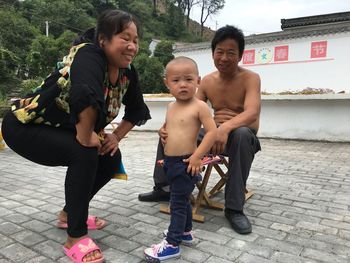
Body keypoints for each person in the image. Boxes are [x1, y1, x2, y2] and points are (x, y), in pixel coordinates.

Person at [1, 9, 150, 263]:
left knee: (111, 156)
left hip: (58, 127)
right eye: (125, 38)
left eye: (135, 40)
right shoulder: (89, 54)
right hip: (24, 125)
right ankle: (75, 237)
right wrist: (86, 136)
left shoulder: (127, 72)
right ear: (103, 40)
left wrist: (115, 137)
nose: (132, 46)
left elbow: (136, 110)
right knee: (86, 151)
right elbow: (84, 92)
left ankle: (70, 214)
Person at [139, 25, 261, 235]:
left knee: (241, 134)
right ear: (213, 53)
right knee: (169, 134)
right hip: (213, 133)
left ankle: (234, 208)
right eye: (219, 52)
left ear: (240, 55)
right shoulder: (207, 81)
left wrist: (226, 128)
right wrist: (167, 126)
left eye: (230, 53)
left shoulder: (251, 78)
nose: (224, 57)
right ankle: (164, 188)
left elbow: (252, 113)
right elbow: (188, 109)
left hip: (240, 135)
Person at [144, 57, 217, 261]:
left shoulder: (200, 106)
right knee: (181, 198)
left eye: (188, 79)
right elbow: (169, 127)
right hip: (170, 162)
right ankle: (186, 232)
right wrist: (162, 131)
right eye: (176, 80)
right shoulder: (170, 106)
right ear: (167, 83)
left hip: (187, 162)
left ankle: (173, 243)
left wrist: (197, 157)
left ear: (198, 81)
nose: (183, 84)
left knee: (176, 203)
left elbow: (211, 133)